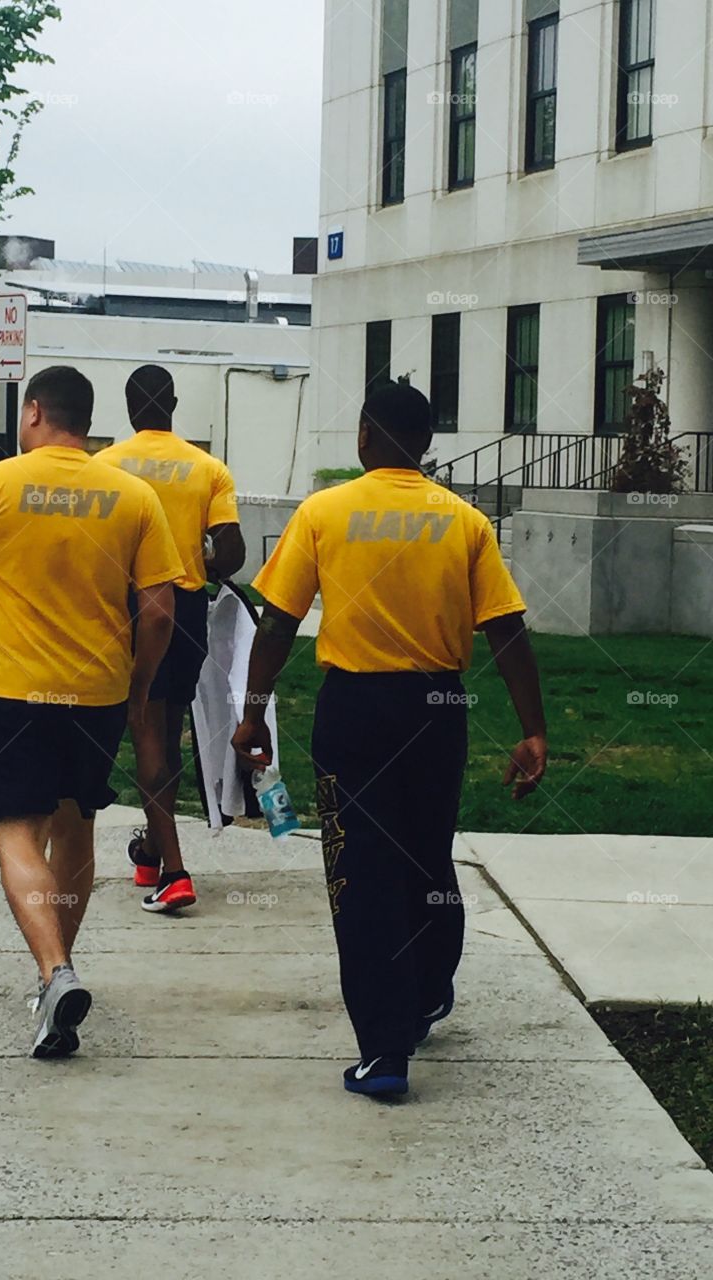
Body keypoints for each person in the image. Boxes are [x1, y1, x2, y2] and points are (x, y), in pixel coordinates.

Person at [232, 381, 547, 1098]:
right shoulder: (464, 521)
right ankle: (428, 991)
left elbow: (277, 623)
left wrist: (252, 714)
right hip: (439, 708)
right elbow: (507, 629)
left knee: (362, 869)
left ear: (365, 436)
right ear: (427, 443)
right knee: (427, 856)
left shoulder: (324, 512)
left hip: (356, 710)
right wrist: (533, 729)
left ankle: (384, 1050)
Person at [0, 366, 183, 1058]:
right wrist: (139, 685)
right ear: (85, 420)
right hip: (98, 698)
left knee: (17, 831)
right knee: (76, 826)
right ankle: (56, 975)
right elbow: (159, 612)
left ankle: (56, 972)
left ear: (33, 413)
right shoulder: (134, 496)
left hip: (17, 694)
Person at [101, 365, 245, 913]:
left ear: (129, 407)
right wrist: (196, 556)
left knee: (145, 733)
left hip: (128, 606)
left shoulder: (106, 465)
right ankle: (152, 852)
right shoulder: (208, 469)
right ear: (174, 405)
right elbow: (231, 554)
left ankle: (176, 873)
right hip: (184, 607)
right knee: (168, 730)